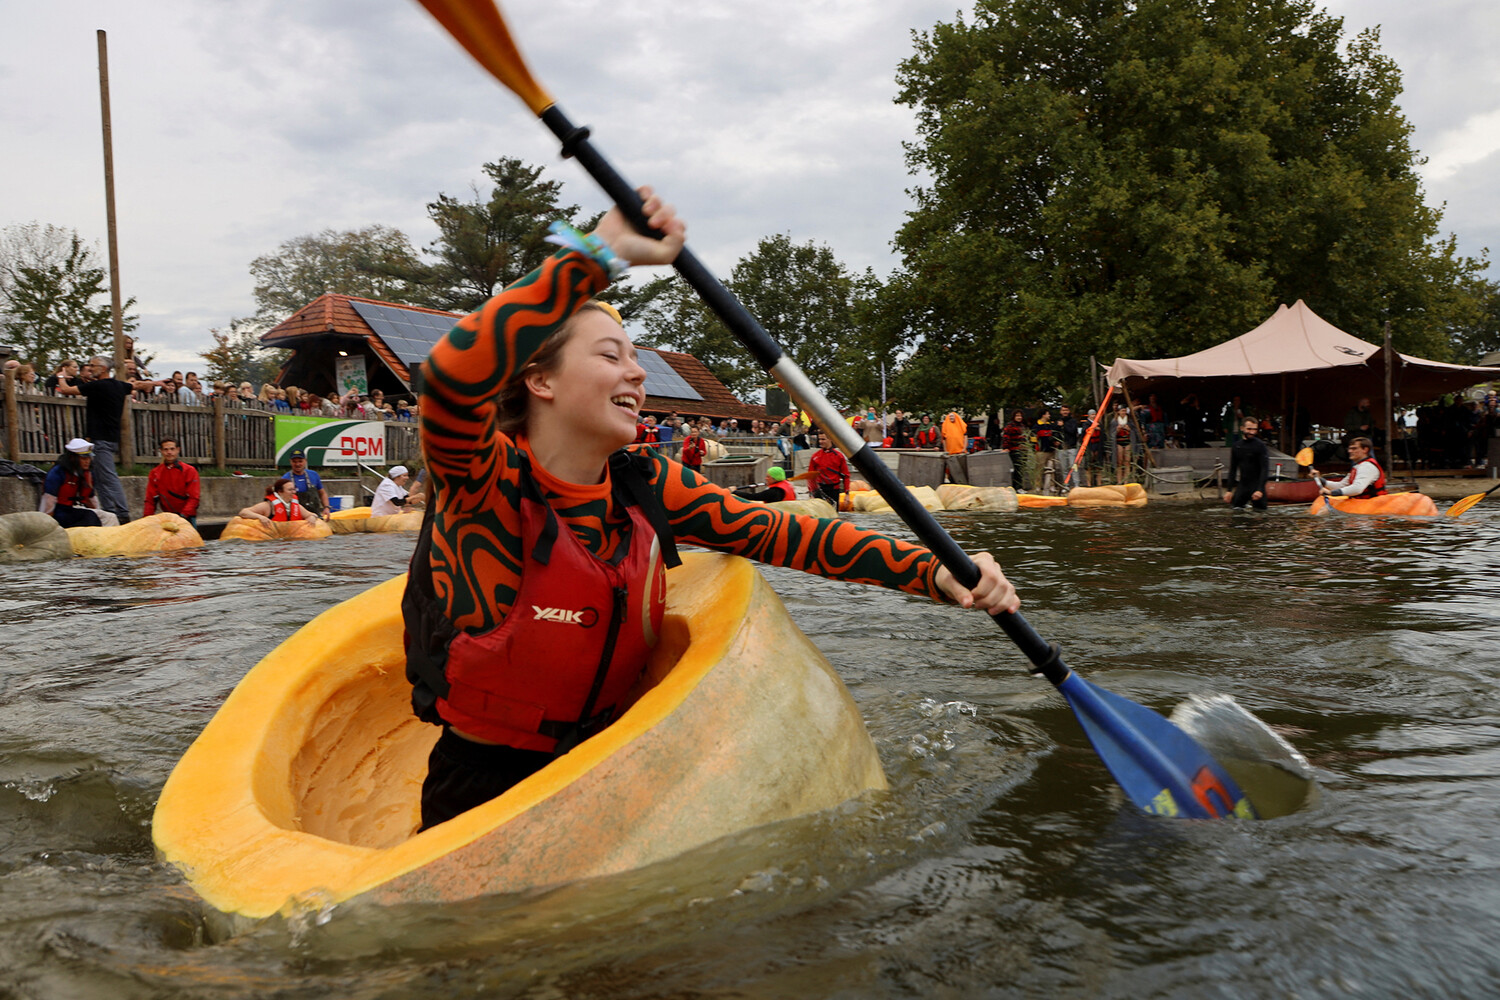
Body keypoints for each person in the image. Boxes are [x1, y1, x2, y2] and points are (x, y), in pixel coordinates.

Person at [401, 192, 1017, 831]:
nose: (637, 375)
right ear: (541, 381)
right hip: (484, 779)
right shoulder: (482, 482)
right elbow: (450, 380)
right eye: (611, 356)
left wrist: (936, 572)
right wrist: (595, 254)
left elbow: (784, 535)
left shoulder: (646, 484)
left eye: (636, 359)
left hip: (613, 758)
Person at [54, 355, 162, 523]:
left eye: (93, 365)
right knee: (98, 477)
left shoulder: (97, 386)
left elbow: (66, 390)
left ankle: (122, 512)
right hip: (110, 438)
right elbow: (136, 385)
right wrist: (156, 383)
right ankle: (109, 510)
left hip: (100, 438)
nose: (90, 368)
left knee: (108, 476)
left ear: (103, 369)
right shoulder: (119, 385)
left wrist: (60, 377)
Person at [39, 439, 120, 528]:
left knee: (110, 517)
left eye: (89, 457)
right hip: (59, 512)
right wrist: (47, 524)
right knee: (89, 517)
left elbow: (90, 498)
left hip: (75, 508)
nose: (87, 461)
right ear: (73, 458)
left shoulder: (88, 473)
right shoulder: (57, 473)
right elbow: (48, 501)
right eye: (83, 458)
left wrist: (97, 511)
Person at [143, 437, 201, 524]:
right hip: (168, 518)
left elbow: (194, 498)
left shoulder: (189, 470)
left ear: (178, 450)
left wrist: (183, 516)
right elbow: (150, 499)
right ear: (161, 451)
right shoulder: (155, 473)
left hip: (187, 517)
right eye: (165, 449)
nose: (169, 452)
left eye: (172, 449)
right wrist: (146, 520)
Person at [1313, 436, 1386, 499]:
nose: (1349, 451)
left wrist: (1331, 493)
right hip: (1362, 502)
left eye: (1354, 448)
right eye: (1350, 448)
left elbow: (1357, 489)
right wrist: (1319, 479)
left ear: (1365, 450)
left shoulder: (1367, 466)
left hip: (1373, 503)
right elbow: (1340, 486)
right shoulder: (1358, 466)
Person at [1222, 417, 1269, 510]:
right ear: (1242, 428)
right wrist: (1229, 490)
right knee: (1235, 512)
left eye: (1254, 429)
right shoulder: (1236, 446)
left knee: (1260, 514)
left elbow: (1265, 469)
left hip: (1257, 486)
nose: (1252, 432)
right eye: (1249, 429)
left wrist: (1260, 489)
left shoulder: (1260, 446)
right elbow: (1233, 469)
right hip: (1243, 485)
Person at [239, 478, 323, 523]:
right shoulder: (268, 506)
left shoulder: (296, 506)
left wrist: (312, 517)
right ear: (280, 492)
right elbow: (244, 512)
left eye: (294, 489)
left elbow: (312, 514)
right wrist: (260, 517)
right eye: (290, 490)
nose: (294, 492)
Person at [805, 430, 851, 506]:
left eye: (823, 439)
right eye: (819, 439)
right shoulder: (815, 456)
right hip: (820, 490)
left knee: (834, 515)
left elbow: (846, 476)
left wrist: (847, 494)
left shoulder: (839, 456)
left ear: (830, 439)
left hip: (834, 490)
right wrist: (811, 492)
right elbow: (810, 476)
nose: (820, 442)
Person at [283, 449, 330, 516]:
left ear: (305, 461)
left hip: (315, 515)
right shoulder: (285, 479)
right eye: (294, 462)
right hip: (296, 517)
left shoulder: (314, 475)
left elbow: (322, 493)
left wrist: (326, 508)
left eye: (300, 461)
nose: (297, 464)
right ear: (290, 462)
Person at [732, 466, 796, 504]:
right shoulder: (787, 484)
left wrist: (734, 492)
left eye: (768, 477)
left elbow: (752, 497)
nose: (766, 478)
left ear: (775, 479)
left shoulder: (774, 491)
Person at [1055, 404, 1080, 480]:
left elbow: (1072, 431)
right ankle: (1065, 485)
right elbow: (1055, 432)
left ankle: (1076, 484)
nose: (1065, 412)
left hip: (1071, 447)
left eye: (1066, 410)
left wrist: (1064, 425)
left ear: (1069, 411)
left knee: (1074, 466)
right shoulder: (1057, 421)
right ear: (1060, 411)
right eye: (1063, 410)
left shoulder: (1073, 421)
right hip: (1062, 448)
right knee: (1064, 468)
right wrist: (1055, 440)